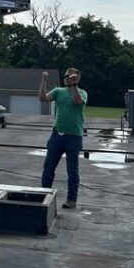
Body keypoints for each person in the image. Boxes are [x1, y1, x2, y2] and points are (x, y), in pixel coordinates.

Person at [39, 68, 87, 209]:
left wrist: (74, 86)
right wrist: (43, 81)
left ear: (77, 79)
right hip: (57, 135)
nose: (67, 78)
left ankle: (71, 200)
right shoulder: (58, 91)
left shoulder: (82, 92)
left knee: (72, 169)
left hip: (74, 137)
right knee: (48, 167)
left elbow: (78, 102)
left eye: (70, 77)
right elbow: (43, 98)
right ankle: (44, 195)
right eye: (66, 76)